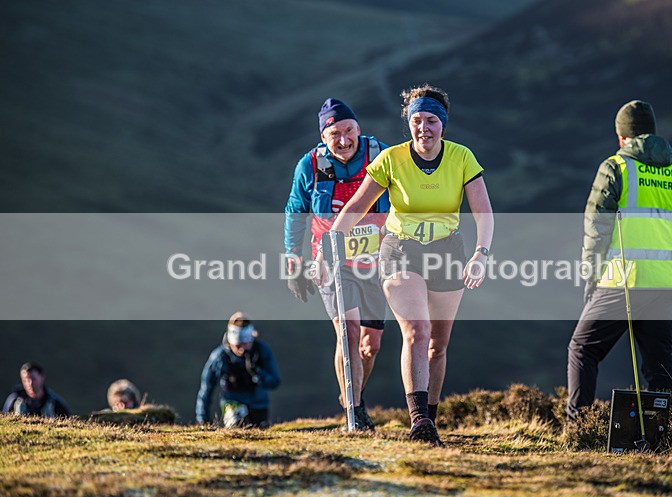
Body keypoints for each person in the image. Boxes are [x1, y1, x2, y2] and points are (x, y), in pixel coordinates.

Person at [316, 84, 494, 446]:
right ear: (408, 124)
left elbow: (483, 213)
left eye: (430, 120)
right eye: (416, 121)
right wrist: (325, 248)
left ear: (443, 124)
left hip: (448, 250)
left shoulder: (462, 158)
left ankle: (430, 418)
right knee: (417, 329)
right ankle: (418, 423)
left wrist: (481, 255)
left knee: (437, 346)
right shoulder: (391, 160)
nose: (423, 128)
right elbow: (355, 207)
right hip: (400, 249)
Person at [566, 100, 672, 421]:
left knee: (583, 349)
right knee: (659, 362)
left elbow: (596, 229)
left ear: (622, 136)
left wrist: (591, 277)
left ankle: (578, 427)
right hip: (665, 281)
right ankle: (666, 432)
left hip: (621, 279)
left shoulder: (616, 167)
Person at [284, 98, 391, 430]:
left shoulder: (380, 156)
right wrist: (294, 258)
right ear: (323, 136)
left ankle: (353, 394)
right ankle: (354, 412)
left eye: (348, 131)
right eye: (335, 134)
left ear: (358, 128)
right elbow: (295, 212)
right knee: (347, 331)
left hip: (376, 260)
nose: (344, 140)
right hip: (329, 260)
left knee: (369, 346)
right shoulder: (310, 166)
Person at [196, 312, 281, 428]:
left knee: (260, 436)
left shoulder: (261, 351)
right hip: (232, 404)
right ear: (230, 342)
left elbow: (274, 382)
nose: (241, 350)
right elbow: (206, 389)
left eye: (245, 344)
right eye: (238, 345)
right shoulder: (219, 357)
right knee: (237, 426)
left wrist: (257, 373)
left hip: (259, 406)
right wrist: (203, 420)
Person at [3, 362, 71, 417]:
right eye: (25, 380)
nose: (30, 383)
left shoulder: (54, 402)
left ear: (42, 378)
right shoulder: (14, 400)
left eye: (33, 378)